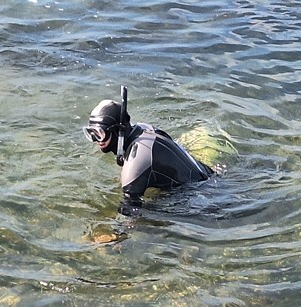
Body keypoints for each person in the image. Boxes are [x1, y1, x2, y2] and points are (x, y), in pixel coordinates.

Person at [83, 87, 213, 216]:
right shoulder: (142, 129)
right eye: (91, 133)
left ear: (118, 130)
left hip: (200, 198)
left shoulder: (137, 158)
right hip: (208, 177)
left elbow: (130, 211)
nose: (96, 140)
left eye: (99, 133)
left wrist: (116, 234)